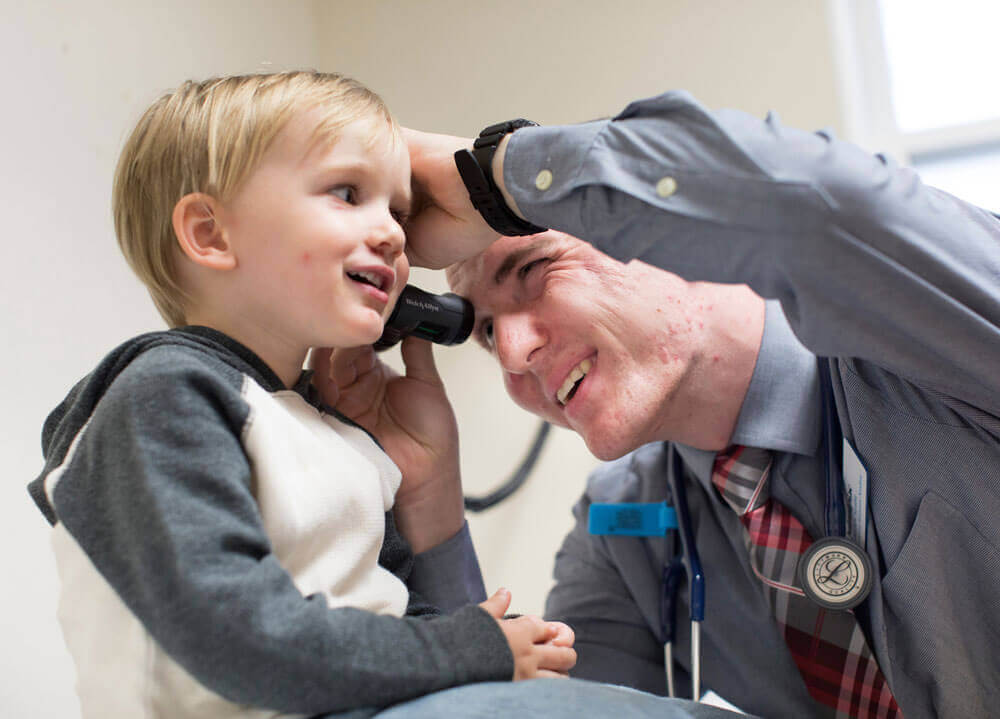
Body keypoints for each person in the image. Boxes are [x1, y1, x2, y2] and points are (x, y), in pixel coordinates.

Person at [333, 91, 1000, 718]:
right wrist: (433, 511)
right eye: (482, 330)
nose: (510, 351)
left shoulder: (919, 341)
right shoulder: (626, 529)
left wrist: (489, 178)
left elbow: (819, 209)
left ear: (662, 236)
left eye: (533, 269)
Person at [26, 70, 639, 719]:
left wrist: (502, 644)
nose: (396, 235)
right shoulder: (165, 395)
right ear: (210, 234)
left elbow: (405, 616)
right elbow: (235, 633)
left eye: (398, 211)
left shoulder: (337, 433)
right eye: (349, 193)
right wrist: (470, 648)